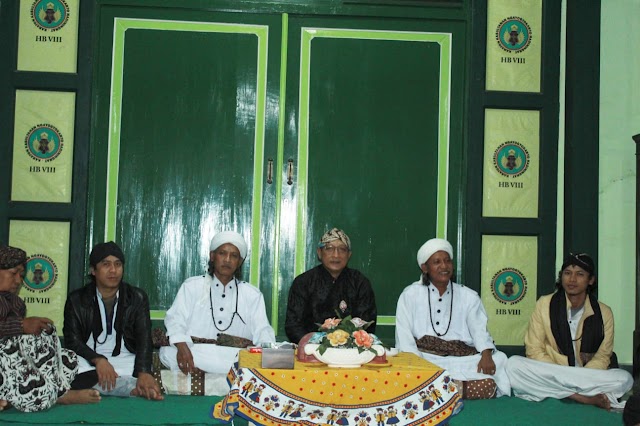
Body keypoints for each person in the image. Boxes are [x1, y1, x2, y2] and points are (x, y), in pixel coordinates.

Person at [506, 252, 633, 410]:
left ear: (591, 280)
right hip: (553, 370)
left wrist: (571, 377)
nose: (572, 279)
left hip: (584, 373)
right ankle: (582, 397)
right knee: (513, 365)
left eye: (580, 274)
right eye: (567, 273)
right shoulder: (544, 304)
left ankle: (562, 392)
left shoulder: (603, 312)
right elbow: (534, 349)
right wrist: (561, 373)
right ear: (561, 277)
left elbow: (602, 356)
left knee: (625, 378)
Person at [395, 238, 510, 399]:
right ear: (424, 268)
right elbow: (404, 336)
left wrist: (485, 354)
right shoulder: (410, 295)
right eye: (437, 262)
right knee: (400, 363)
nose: (444, 266)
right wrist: (416, 364)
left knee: (500, 360)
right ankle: (462, 389)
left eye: (447, 261)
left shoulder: (468, 296)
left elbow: (479, 329)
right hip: (426, 358)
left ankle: (433, 391)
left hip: (462, 359)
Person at [0, 245, 101, 412]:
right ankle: (58, 396)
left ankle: (49, 392)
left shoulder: (16, 303)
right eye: (13, 274)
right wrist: (20, 326)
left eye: (22, 275)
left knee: (67, 358)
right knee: (12, 354)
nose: (18, 281)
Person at [160, 231, 275, 376]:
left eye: (234, 256)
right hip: (194, 351)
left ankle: (215, 368)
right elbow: (175, 320)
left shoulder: (252, 294)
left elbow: (263, 331)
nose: (227, 259)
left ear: (239, 262)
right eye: (222, 253)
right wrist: (182, 347)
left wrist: (267, 352)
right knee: (169, 353)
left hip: (233, 355)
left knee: (250, 359)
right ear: (212, 256)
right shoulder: (192, 286)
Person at [63, 242, 163, 400]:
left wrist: (144, 372)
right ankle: (129, 388)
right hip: (89, 361)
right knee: (66, 367)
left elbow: (144, 339)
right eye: (106, 264)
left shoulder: (137, 297)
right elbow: (72, 341)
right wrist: (99, 360)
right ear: (93, 270)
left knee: (141, 371)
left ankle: (121, 386)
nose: (113, 270)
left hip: (125, 359)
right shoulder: (77, 299)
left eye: (118, 264)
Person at [285, 228, 377, 344]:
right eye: (329, 248)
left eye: (342, 249)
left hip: (350, 352)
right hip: (311, 352)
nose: (336, 255)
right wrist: (317, 343)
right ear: (319, 252)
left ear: (349, 255)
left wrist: (344, 344)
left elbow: (366, 324)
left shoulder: (360, 283)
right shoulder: (303, 282)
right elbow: (293, 326)